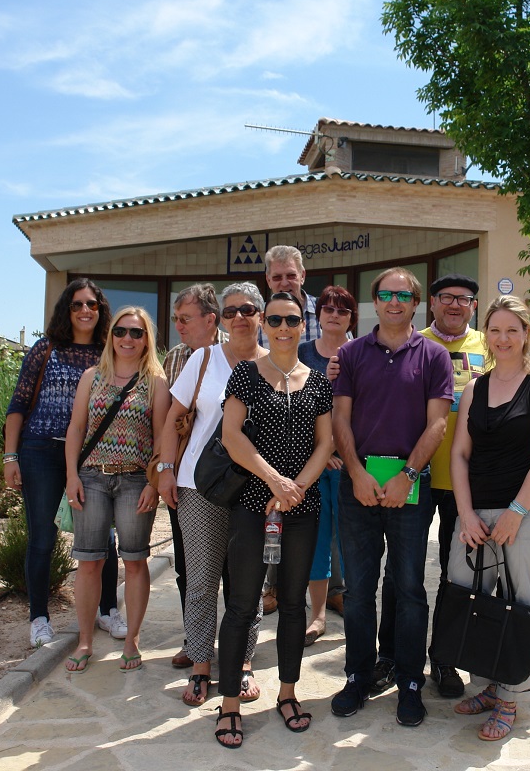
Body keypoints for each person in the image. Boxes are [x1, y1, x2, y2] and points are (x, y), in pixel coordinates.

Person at [329, 267, 452, 728]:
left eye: (403, 294)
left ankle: (409, 682)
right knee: (358, 592)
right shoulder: (352, 354)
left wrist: (408, 474)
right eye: (386, 294)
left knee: (409, 589)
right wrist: (357, 472)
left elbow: (437, 424)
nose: (394, 301)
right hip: (357, 486)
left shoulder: (435, 356)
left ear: (415, 303)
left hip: (409, 486)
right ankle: (358, 676)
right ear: (374, 302)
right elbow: (341, 418)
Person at [212, 292, 334, 748]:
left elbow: (325, 444)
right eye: (276, 320)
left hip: (302, 507)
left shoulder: (318, 383)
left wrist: (295, 487)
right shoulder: (245, 375)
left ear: (304, 325)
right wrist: (274, 482)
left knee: (293, 603)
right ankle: (229, 704)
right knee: (242, 605)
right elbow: (231, 436)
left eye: (293, 319)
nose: (284, 328)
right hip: (250, 504)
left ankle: (287, 693)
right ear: (264, 323)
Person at [449, 295, 530, 741]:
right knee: (473, 600)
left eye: (512, 330)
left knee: (522, 607)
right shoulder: (476, 387)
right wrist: (464, 513)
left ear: (526, 334)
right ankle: (489, 687)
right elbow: (460, 453)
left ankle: (512, 697)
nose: (502, 338)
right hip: (476, 515)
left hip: (529, 515)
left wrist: (517, 511)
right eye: (494, 330)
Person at [155, 282, 267, 707]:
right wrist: (166, 469)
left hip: (254, 486)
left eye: (249, 309)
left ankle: (241, 665)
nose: (241, 316)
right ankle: (201, 665)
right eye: (232, 310)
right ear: (222, 318)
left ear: (260, 316)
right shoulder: (202, 360)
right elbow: (173, 418)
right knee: (201, 579)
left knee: (247, 584)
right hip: (199, 485)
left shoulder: (275, 364)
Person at [376, 273, 487, 699]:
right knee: (401, 574)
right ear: (432, 303)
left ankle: (444, 658)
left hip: (467, 483)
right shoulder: (410, 341)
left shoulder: (489, 347)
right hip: (413, 475)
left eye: (464, 299)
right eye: (446, 298)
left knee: (456, 576)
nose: (455, 305)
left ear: (473, 306)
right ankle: (391, 657)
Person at [4, 278, 125, 649]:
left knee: (103, 538)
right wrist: (10, 456)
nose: (85, 311)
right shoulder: (45, 350)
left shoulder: (110, 353)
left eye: (92, 304)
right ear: (66, 311)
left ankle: (107, 610)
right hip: (41, 452)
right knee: (42, 537)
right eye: (77, 305)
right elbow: (18, 406)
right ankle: (39, 619)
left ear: (101, 310)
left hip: (91, 457)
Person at [63, 307, 169, 673]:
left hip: (135, 481)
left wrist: (154, 485)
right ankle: (86, 640)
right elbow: (76, 429)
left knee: (135, 561)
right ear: (111, 336)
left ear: (146, 340)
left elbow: (161, 437)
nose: (128, 339)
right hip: (91, 477)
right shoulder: (92, 377)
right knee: (89, 562)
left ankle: (132, 639)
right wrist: (71, 476)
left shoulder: (155, 381)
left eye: (136, 333)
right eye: (121, 331)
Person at [161, 284, 227, 669]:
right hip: (187, 478)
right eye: (175, 319)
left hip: (237, 481)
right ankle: (196, 642)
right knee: (192, 568)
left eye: (184, 319)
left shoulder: (243, 353)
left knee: (237, 572)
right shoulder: (176, 358)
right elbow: (168, 419)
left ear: (209, 319)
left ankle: (238, 652)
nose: (179, 326)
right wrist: (164, 469)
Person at [259, 244, 321, 615]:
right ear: (268, 279)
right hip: (269, 425)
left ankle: (324, 590)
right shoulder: (261, 316)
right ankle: (272, 586)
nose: (284, 281)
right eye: (277, 276)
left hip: (314, 426)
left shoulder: (322, 312)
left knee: (315, 519)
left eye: (290, 275)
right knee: (269, 511)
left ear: (303, 275)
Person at [297, 285, 355, 646]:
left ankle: (355, 605)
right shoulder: (302, 353)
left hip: (350, 464)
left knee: (351, 539)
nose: (334, 314)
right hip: (310, 464)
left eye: (342, 310)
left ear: (351, 318)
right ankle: (316, 615)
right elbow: (291, 404)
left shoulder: (362, 352)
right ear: (318, 316)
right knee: (316, 539)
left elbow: (366, 410)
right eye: (328, 309)